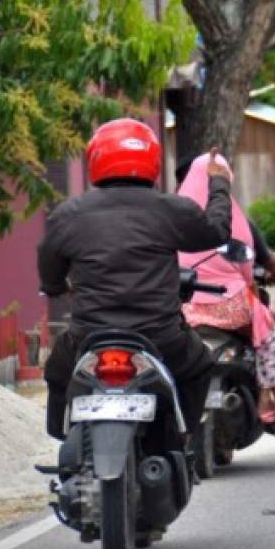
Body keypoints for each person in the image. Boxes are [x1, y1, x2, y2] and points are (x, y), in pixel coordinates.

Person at [39, 119, 230, 441]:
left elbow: (50, 270)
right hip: (161, 337)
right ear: (152, 160)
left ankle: (63, 437)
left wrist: (57, 287)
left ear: (95, 159)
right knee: (199, 366)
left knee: (57, 372)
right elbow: (216, 231)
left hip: (90, 336)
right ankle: (182, 437)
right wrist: (219, 185)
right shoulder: (172, 209)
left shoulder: (67, 214)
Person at [178, 153, 275, 436]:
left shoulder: (172, 214)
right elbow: (247, 267)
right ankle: (269, 399)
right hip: (229, 307)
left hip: (183, 309)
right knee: (268, 327)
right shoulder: (234, 217)